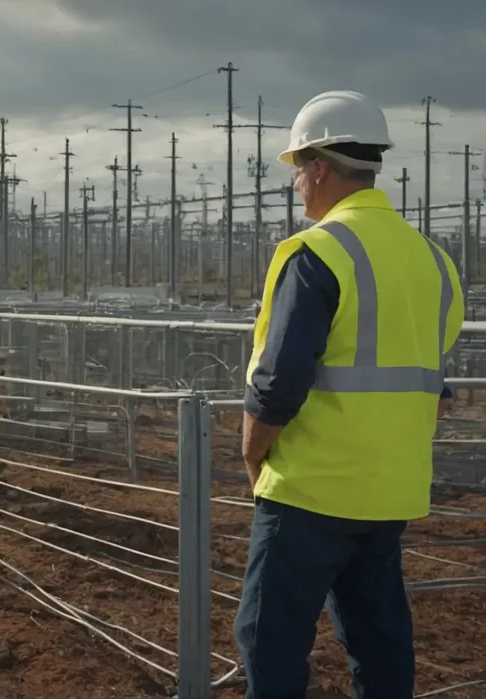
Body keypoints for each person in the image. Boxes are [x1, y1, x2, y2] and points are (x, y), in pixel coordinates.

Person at [235, 91, 463, 699]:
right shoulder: (433, 261)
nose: (295, 187)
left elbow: (279, 383)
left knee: (270, 639)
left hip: (310, 489)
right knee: (379, 637)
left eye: (296, 172)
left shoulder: (318, 254)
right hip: (389, 490)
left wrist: (254, 456)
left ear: (319, 168)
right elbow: (433, 384)